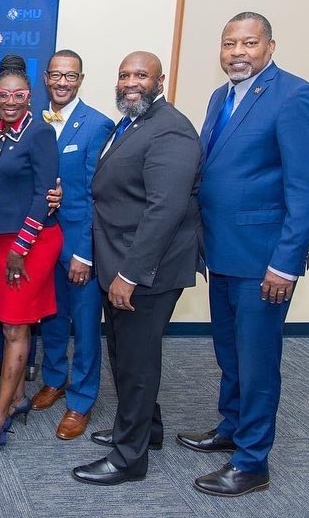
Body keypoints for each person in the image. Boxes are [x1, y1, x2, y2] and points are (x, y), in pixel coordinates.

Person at [180, 12, 309, 497]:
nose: (237, 52)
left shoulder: (296, 97)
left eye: (248, 42)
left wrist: (285, 262)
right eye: (229, 44)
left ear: (270, 46)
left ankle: (252, 461)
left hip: (264, 260)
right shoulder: (219, 97)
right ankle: (231, 428)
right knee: (230, 353)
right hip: (223, 253)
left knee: (257, 359)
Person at [72, 51, 203, 485]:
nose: (131, 81)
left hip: (146, 270)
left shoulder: (170, 130)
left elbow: (164, 210)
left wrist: (129, 274)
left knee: (136, 360)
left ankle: (129, 459)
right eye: (125, 73)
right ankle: (147, 429)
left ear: (160, 81)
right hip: (121, 260)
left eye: (141, 75)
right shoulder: (133, 122)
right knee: (127, 355)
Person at [0, 55, 62, 455]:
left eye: (18, 95)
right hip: (2, 245)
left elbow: (44, 195)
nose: (10, 100)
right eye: (3, 94)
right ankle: (20, 396)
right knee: (12, 324)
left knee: (14, 327)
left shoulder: (39, 134)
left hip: (33, 243)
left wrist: (19, 250)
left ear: (29, 96)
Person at [33, 49, 114, 441]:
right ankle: (54, 379)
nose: (63, 82)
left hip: (79, 245)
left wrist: (85, 251)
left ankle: (81, 401)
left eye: (71, 76)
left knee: (83, 327)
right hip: (41, 243)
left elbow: (99, 195)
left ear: (80, 80)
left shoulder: (98, 125)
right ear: (46, 78)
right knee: (50, 318)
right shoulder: (33, 122)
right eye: (56, 75)